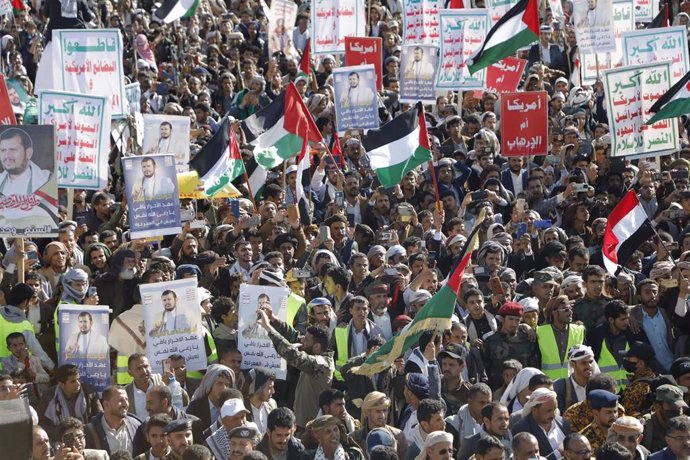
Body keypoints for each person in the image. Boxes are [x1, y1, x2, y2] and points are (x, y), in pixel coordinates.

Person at [256, 307, 334, 428]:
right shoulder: (312, 350)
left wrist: (268, 328)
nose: (302, 341)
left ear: (317, 346)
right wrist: (274, 320)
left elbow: (293, 354)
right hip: (301, 424)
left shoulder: (321, 364)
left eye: (306, 340)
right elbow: (294, 336)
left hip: (312, 428)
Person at [84, 386, 142, 455]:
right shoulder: (90, 431)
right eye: (120, 400)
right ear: (106, 404)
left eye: (126, 399)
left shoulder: (136, 426)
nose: (125, 404)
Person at [0, 127, 51, 196]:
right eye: (3, 150)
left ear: (28, 153)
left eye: (13, 150)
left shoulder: (47, 180)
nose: (7, 156)